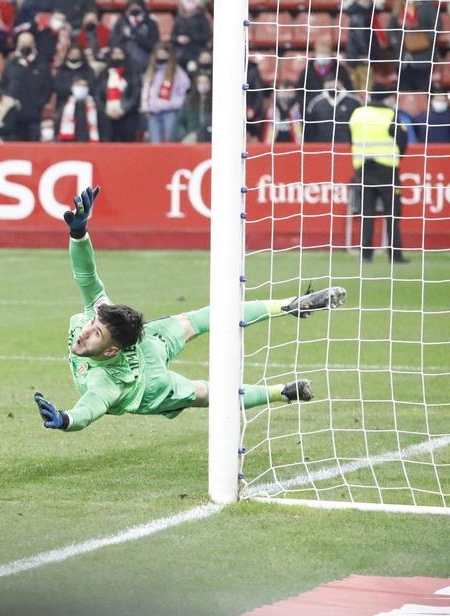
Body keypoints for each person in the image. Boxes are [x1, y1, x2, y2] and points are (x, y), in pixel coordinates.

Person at [33, 187, 341, 435]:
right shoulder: (101, 323)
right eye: (92, 324)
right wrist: (79, 234)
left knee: (206, 390)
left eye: (96, 332)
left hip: (150, 386)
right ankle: (285, 361)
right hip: (144, 355)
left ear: (111, 352)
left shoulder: (107, 384)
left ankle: (284, 359)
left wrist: (66, 419)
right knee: (204, 326)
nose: (86, 331)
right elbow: (87, 276)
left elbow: (89, 408)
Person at [349, 84, 409, 263]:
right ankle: (395, 255)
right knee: (392, 214)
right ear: (387, 97)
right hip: (387, 170)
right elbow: (403, 142)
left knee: (367, 213)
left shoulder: (357, 113)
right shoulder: (390, 114)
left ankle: (366, 254)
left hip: (363, 169)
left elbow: (350, 138)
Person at [3, 31, 53, 141]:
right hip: (13, 117)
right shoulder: (10, 64)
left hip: (34, 116)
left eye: (28, 42)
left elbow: (48, 87)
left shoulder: (42, 64)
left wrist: (40, 103)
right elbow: (4, 85)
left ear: (34, 44)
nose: (24, 45)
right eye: (22, 42)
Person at [141, 42, 189, 143]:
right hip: (153, 113)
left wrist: (173, 104)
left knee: (170, 141)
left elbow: (184, 91)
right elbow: (145, 91)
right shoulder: (151, 71)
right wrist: (146, 107)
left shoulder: (177, 72)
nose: (161, 56)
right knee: (155, 143)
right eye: (158, 54)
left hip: (170, 112)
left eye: (163, 54)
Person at [98, 45, 140, 142]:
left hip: (127, 116)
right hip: (107, 115)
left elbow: (135, 94)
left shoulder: (132, 73)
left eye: (120, 53)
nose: (117, 56)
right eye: (114, 53)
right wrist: (105, 108)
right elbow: (98, 93)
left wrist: (123, 109)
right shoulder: (104, 73)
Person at [303, 77, 361, 144]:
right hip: (322, 146)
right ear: (324, 85)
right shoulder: (316, 103)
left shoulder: (354, 101)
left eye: (334, 84)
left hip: (347, 145)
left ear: (341, 83)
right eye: (329, 84)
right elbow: (310, 128)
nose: (332, 87)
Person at [300, 35, 354, 102]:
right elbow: (300, 94)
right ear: (315, 52)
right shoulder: (307, 71)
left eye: (325, 53)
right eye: (320, 53)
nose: (323, 56)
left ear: (330, 53)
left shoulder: (340, 70)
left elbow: (349, 90)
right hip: (313, 108)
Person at [110, 0, 159, 73]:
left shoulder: (151, 24)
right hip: (124, 68)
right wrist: (124, 36)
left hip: (145, 65)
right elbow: (113, 43)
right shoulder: (120, 23)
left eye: (137, 6)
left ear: (142, 8)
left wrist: (135, 36)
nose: (134, 9)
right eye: (131, 6)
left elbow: (154, 45)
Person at [55, 76, 102, 142]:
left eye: (84, 85)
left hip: (90, 143)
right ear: (72, 87)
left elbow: (103, 126)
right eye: (78, 85)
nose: (81, 88)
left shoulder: (95, 105)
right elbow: (57, 125)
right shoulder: (65, 106)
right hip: (70, 143)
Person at [171, 0, 210, 73]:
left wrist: (190, 38)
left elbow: (206, 35)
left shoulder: (201, 18)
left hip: (196, 52)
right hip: (181, 54)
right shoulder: (179, 18)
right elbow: (172, 36)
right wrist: (178, 39)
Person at [55, 45, 96, 112]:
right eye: (72, 54)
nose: (74, 56)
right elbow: (57, 87)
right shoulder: (61, 70)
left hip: (85, 106)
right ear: (68, 55)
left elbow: (93, 86)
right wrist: (72, 86)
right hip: (64, 104)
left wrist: (85, 84)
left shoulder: (87, 69)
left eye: (77, 54)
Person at [174, 72, 211, 143]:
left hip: (209, 136)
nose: (203, 85)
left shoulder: (214, 101)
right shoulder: (189, 101)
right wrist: (184, 135)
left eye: (206, 82)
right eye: (201, 83)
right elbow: (180, 122)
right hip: (192, 135)